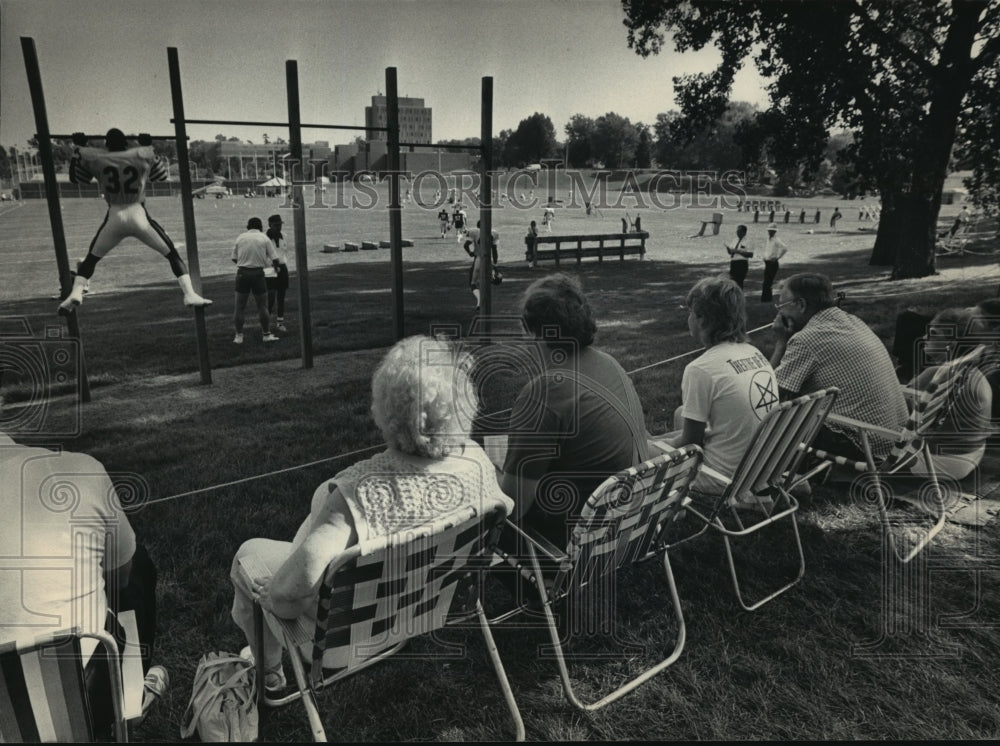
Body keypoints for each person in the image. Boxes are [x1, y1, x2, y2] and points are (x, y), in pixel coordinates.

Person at [229, 336, 512, 691]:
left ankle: (269, 671)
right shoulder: (478, 463)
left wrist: (271, 595)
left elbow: (289, 599)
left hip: (337, 643)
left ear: (386, 407)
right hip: (426, 609)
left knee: (249, 554)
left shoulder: (357, 491)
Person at [0, 394, 167, 727]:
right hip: (82, 698)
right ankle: (128, 695)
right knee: (135, 569)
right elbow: (120, 577)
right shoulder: (79, 470)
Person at [499, 274, 649, 548]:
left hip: (570, 545)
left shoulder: (545, 393)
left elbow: (512, 507)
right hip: (627, 526)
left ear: (532, 330)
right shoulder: (608, 363)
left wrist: (486, 474)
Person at [61, 128, 211, 315]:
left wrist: (79, 147)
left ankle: (76, 293)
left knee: (91, 259)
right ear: (126, 143)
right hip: (138, 213)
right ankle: (189, 294)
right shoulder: (142, 154)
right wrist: (147, 145)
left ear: (106, 145)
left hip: (115, 214)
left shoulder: (95, 156)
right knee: (172, 255)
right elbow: (161, 177)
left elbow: (76, 179)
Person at [655, 276, 779, 494]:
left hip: (723, 477)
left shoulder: (701, 369)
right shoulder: (754, 353)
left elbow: (689, 443)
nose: (689, 317)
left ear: (702, 319)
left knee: (639, 450)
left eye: (690, 312)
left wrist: (652, 443)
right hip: (758, 469)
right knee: (680, 413)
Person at [769, 273, 908, 460]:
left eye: (782, 306)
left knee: (771, 420)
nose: (779, 314)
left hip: (862, 445)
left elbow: (769, 395)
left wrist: (781, 343)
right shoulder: (852, 321)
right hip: (893, 439)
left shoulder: (808, 338)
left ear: (801, 305)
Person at [908, 307, 992, 480]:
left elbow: (895, 408)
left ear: (950, 344)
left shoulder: (934, 376)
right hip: (972, 455)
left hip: (938, 463)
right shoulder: (974, 373)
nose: (925, 338)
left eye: (933, 334)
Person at [232, 217, 280, 344]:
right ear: (261, 227)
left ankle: (238, 336)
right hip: (258, 273)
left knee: (239, 307)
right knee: (262, 306)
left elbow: (234, 258)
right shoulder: (264, 238)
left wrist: (244, 263)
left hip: (242, 273)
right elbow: (275, 258)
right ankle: (266, 334)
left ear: (248, 226)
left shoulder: (240, 237)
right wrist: (276, 268)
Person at [463, 220, 499, 310]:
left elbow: (466, 245)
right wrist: (495, 264)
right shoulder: (494, 233)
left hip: (479, 258)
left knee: (473, 283)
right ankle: (486, 302)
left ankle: (479, 302)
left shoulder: (474, 232)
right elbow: (494, 251)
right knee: (487, 281)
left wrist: (470, 253)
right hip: (489, 260)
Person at [265, 214, 290, 333]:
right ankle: (266, 324)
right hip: (269, 269)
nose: (278, 227)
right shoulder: (264, 238)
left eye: (280, 225)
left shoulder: (284, 236)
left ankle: (280, 323)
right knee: (270, 298)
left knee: (281, 297)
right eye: (276, 225)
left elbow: (284, 253)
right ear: (269, 225)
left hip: (282, 268)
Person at [760, 222, 788, 302]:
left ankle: (766, 299)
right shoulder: (768, 239)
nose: (770, 232)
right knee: (766, 281)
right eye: (769, 230)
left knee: (768, 281)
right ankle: (766, 298)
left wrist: (777, 257)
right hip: (767, 262)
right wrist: (765, 257)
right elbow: (768, 250)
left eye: (772, 231)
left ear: (775, 232)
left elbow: (784, 248)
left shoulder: (776, 240)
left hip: (772, 263)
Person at [725, 224, 754, 289]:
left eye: (739, 231)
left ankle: (739, 296)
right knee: (732, 281)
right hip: (733, 263)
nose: (737, 233)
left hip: (742, 263)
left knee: (739, 281)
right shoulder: (735, 240)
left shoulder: (748, 241)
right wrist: (729, 250)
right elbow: (731, 252)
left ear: (744, 232)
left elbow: (750, 254)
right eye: (737, 231)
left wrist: (738, 251)